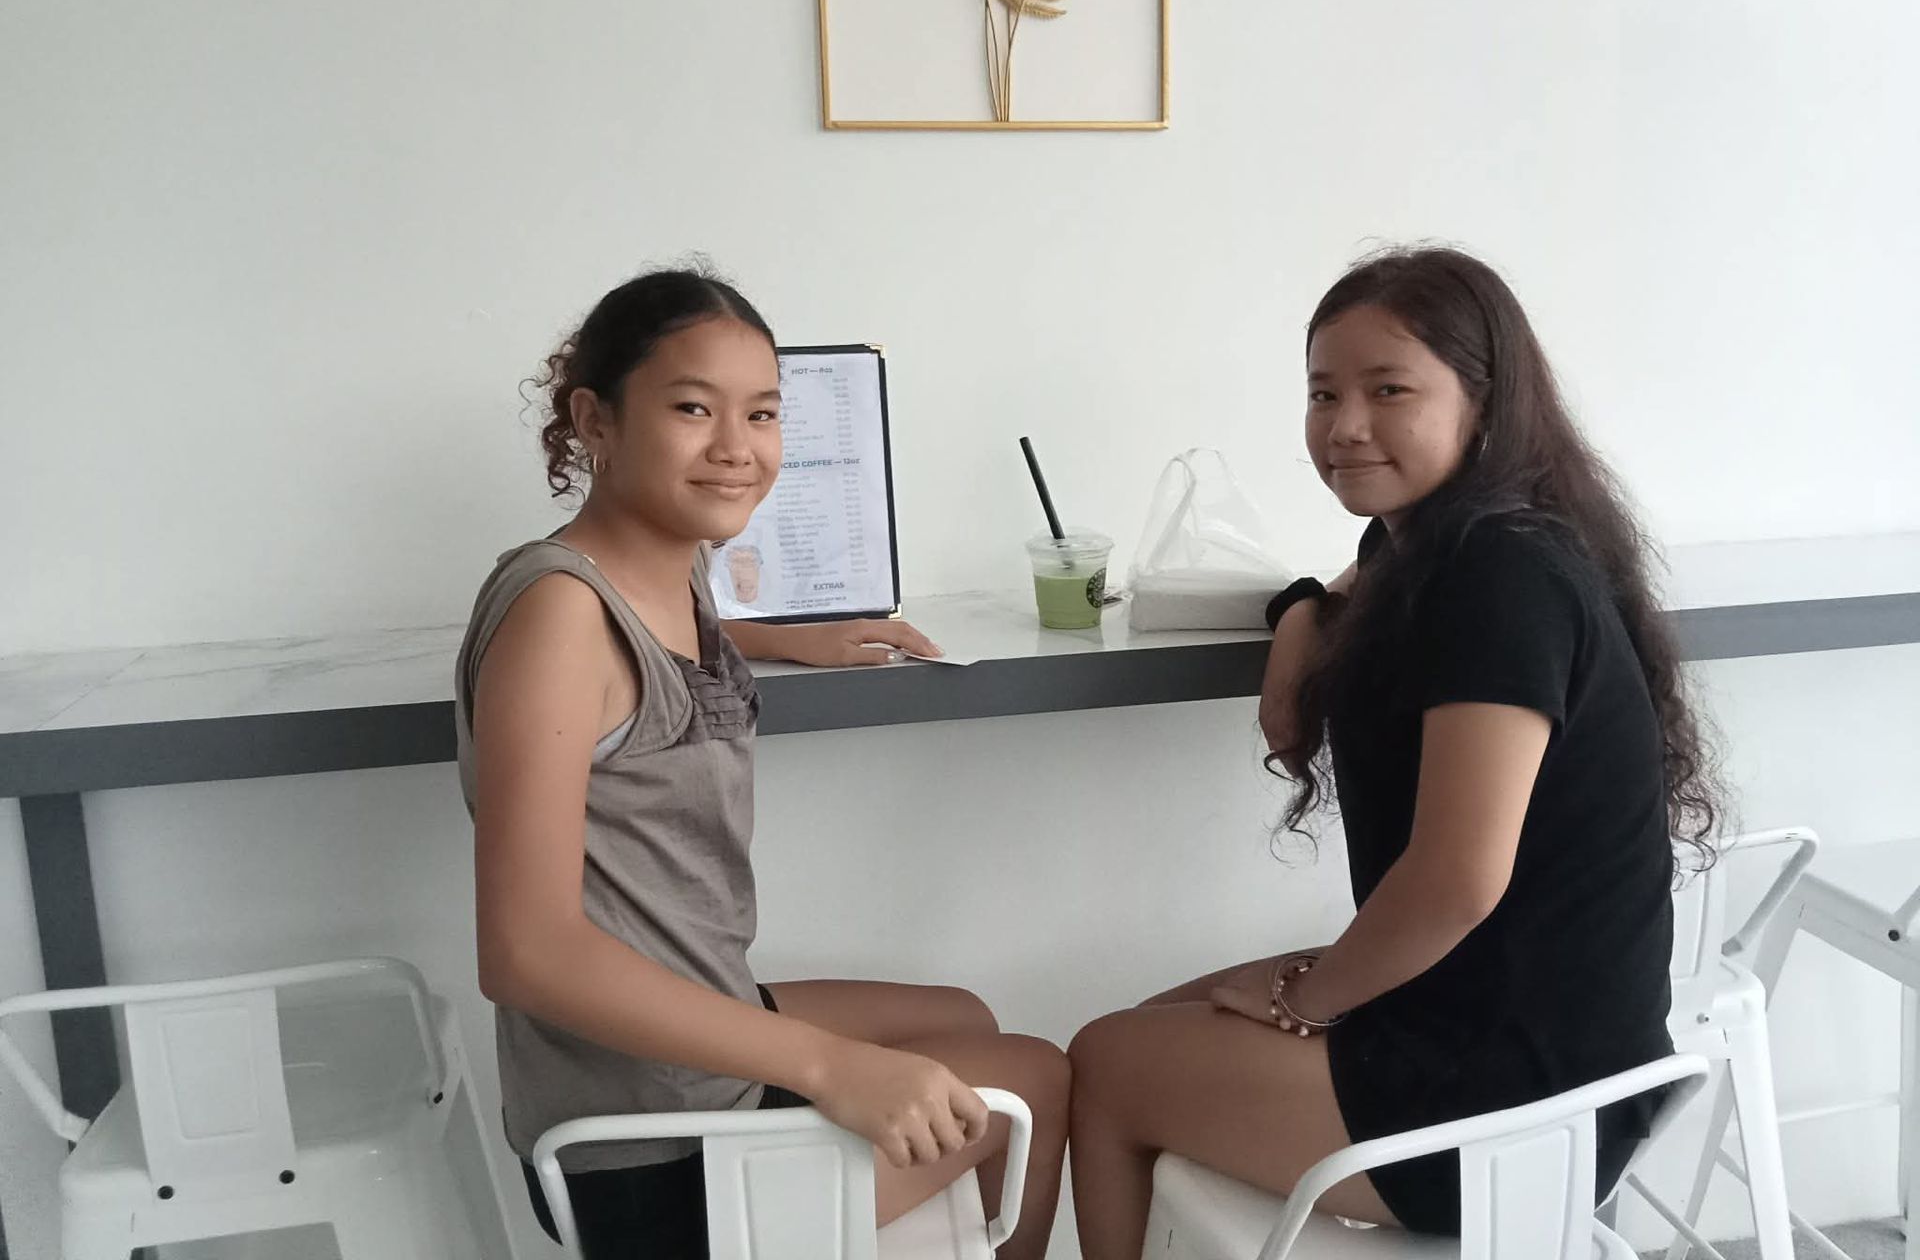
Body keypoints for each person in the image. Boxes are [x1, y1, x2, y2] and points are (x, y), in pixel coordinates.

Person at [1067, 246, 1722, 1254]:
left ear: (1484, 403)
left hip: (1523, 1091)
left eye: (1389, 390)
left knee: (1107, 1063)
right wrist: (1295, 623)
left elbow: (1458, 879)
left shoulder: (1499, 575)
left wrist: (1305, 998)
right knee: (1156, 1021)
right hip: (1474, 1014)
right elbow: (1337, 597)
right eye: (1323, 392)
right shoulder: (1426, 542)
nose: (1345, 425)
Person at [456, 266, 1068, 1259]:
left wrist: (796, 639)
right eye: (693, 409)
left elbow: (666, 665)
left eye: (764, 413)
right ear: (595, 420)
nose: (738, 449)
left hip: (689, 1034)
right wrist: (830, 1067)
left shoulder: (668, 568)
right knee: (1029, 1076)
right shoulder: (561, 616)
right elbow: (524, 954)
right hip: (640, 1145)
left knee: (962, 1017)